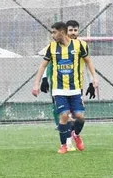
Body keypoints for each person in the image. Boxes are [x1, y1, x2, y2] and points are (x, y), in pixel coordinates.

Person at [32, 22, 99, 154]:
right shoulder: (52, 47)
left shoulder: (80, 45)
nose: (52, 35)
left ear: (61, 32)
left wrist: (94, 79)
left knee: (80, 116)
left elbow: (88, 61)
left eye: (54, 32)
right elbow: (43, 65)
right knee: (64, 115)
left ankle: (76, 135)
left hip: (76, 88)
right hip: (59, 89)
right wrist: (37, 83)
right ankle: (64, 145)